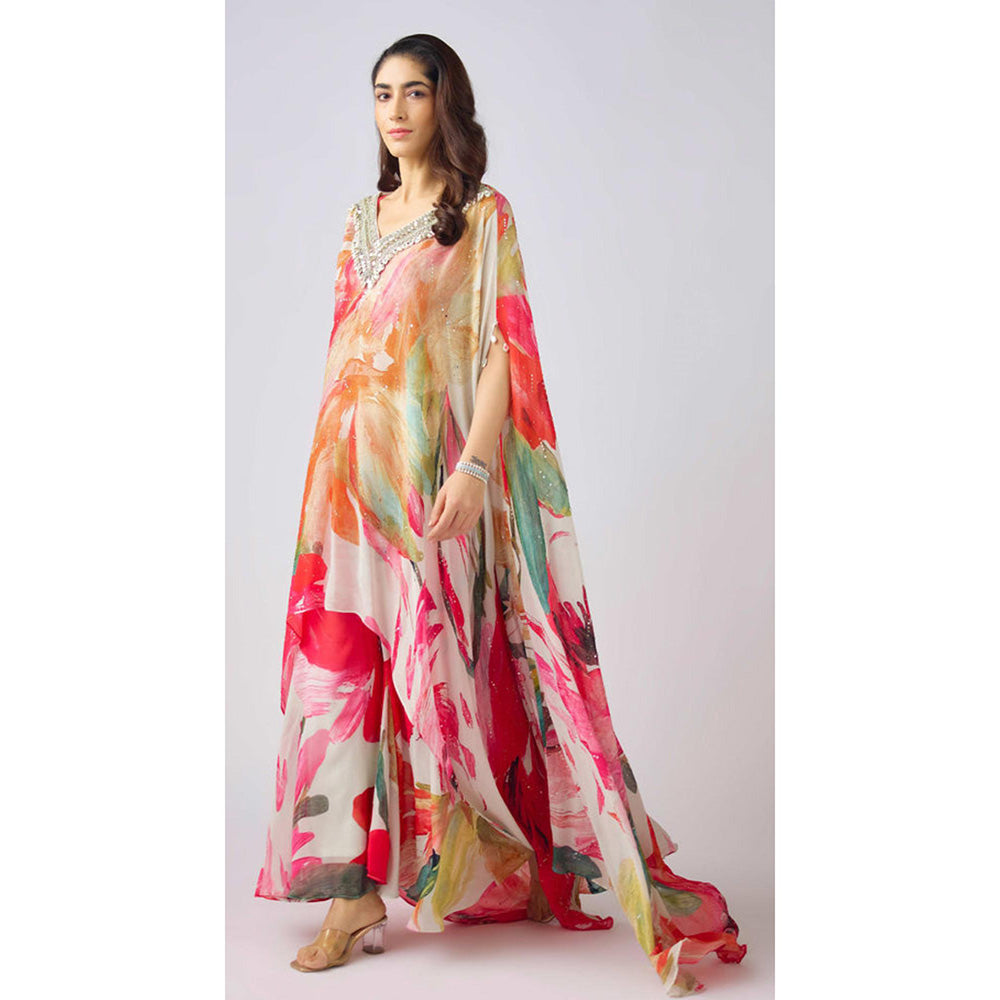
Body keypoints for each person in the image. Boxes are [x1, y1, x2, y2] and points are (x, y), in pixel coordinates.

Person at [254, 32, 748, 996]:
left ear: (446, 103)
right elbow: (347, 351)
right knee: (340, 670)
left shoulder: (481, 216)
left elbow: (500, 353)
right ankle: (349, 893)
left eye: (414, 92)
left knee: (428, 668)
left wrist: (475, 467)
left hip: (428, 479)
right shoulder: (358, 219)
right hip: (342, 481)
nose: (395, 111)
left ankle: (466, 856)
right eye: (381, 94)